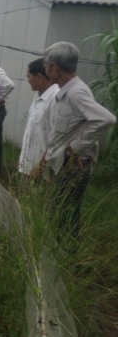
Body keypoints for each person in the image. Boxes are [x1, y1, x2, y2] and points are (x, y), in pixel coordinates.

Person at [39, 42, 116, 238]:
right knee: (58, 210)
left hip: (73, 165)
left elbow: (106, 119)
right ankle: (58, 251)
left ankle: (67, 255)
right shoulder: (64, 92)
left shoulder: (76, 92)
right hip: (62, 162)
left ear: (54, 67)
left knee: (66, 214)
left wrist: (77, 148)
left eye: (46, 66)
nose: (46, 70)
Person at [18, 57, 59, 180]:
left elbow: (56, 139)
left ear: (39, 77)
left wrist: (41, 166)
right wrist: (22, 159)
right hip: (28, 165)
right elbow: (32, 131)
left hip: (41, 171)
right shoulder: (38, 97)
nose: (28, 80)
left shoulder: (56, 98)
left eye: (29, 76)